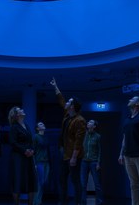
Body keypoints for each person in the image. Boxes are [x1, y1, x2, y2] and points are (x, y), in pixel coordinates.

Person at [50, 77, 86, 205]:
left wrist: (74, 157)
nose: (67, 103)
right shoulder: (68, 115)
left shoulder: (80, 120)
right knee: (62, 180)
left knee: (75, 181)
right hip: (65, 154)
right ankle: (64, 202)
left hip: (73, 155)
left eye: (69, 102)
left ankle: (78, 203)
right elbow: (61, 100)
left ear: (73, 107)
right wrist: (55, 86)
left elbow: (78, 141)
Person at [118, 96, 139, 205]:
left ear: (137, 104)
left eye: (132, 99)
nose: (129, 100)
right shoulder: (127, 119)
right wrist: (121, 153)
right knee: (133, 184)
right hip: (128, 155)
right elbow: (124, 138)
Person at [8, 106, 38, 204]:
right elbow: (13, 142)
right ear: (17, 115)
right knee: (18, 180)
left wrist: (32, 150)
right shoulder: (14, 127)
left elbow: (31, 141)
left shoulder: (26, 125)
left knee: (31, 180)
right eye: (20, 110)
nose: (22, 110)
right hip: (18, 157)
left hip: (29, 157)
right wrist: (24, 150)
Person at [81, 119, 103, 205]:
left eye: (90, 122)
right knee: (83, 184)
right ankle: (83, 201)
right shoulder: (84, 135)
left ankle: (99, 201)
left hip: (94, 162)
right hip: (84, 162)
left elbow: (100, 150)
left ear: (94, 126)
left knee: (97, 184)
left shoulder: (98, 136)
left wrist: (98, 162)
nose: (88, 123)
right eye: (88, 122)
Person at [33, 122, 50, 205]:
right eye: (40, 124)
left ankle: (38, 200)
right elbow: (33, 150)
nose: (43, 124)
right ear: (37, 128)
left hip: (46, 162)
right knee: (40, 183)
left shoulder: (46, 137)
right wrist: (34, 163)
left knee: (44, 182)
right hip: (39, 162)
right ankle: (36, 202)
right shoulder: (36, 137)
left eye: (43, 124)